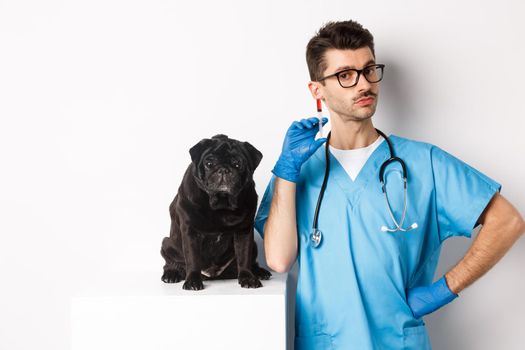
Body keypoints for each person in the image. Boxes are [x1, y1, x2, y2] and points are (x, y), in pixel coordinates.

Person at [253, 20, 525, 350]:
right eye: (345, 75)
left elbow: (507, 222)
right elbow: (279, 260)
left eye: (369, 70)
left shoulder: (425, 163)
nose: (363, 84)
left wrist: (443, 289)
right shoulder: (299, 171)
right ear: (317, 91)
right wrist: (286, 171)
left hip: (397, 342)